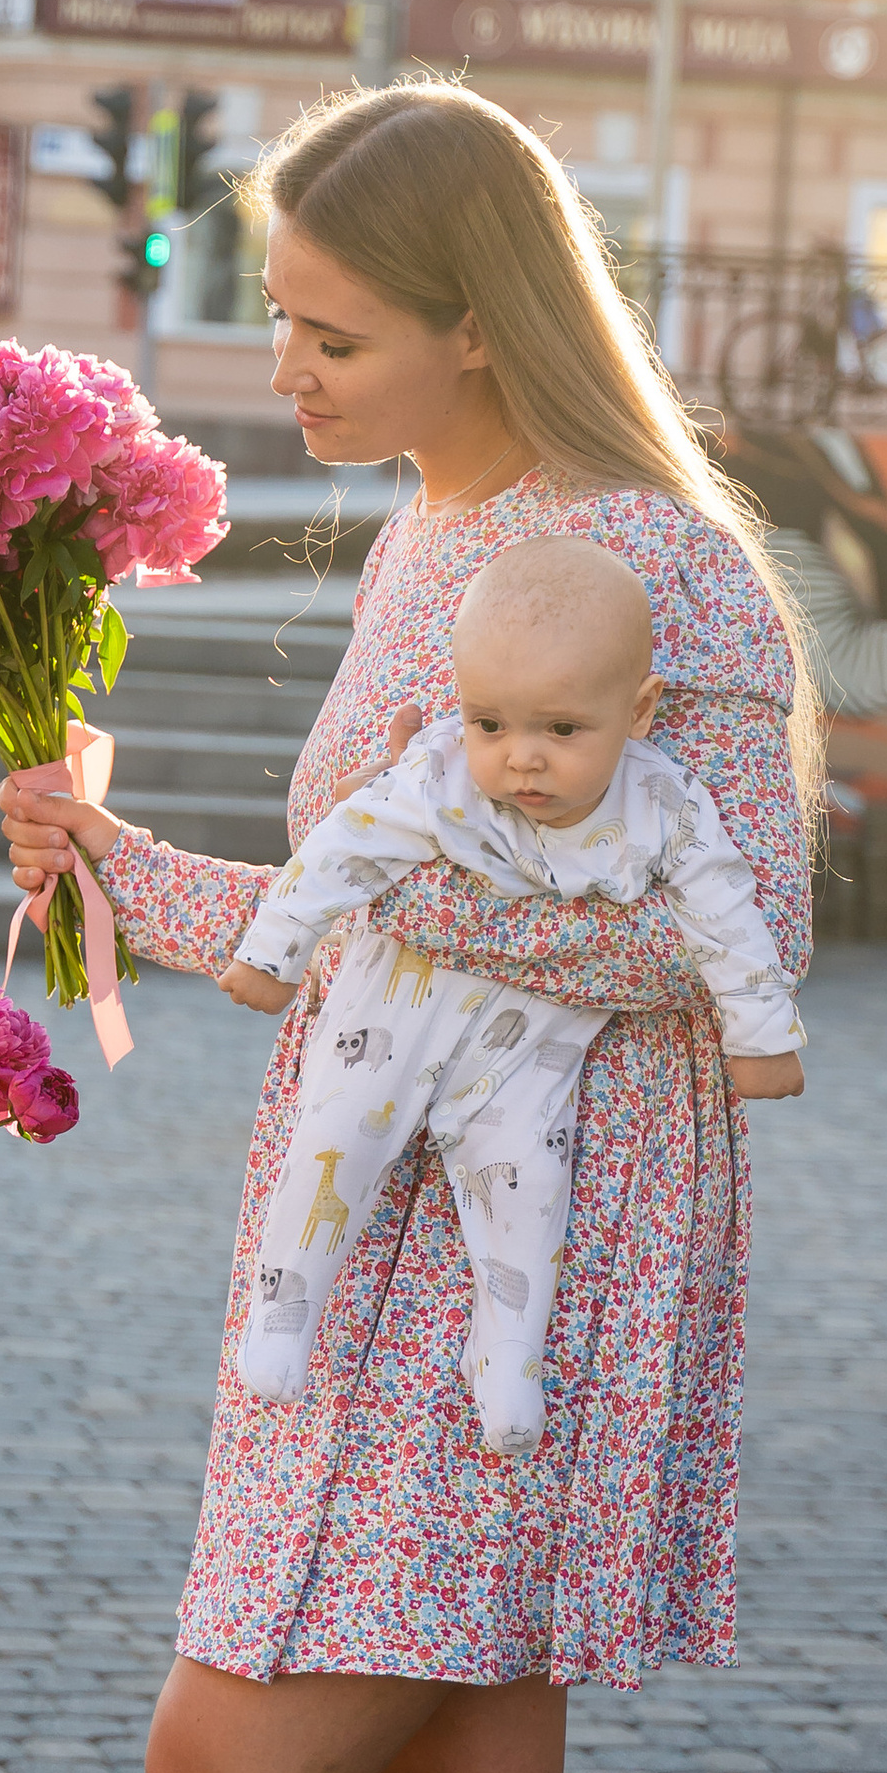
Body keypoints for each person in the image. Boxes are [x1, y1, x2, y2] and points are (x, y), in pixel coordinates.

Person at [0, 79, 816, 1773]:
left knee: (221, 1767)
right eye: (279, 312)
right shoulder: (442, 539)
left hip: (514, 1272)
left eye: (331, 323)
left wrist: (338, 911)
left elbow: (713, 938)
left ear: (477, 314)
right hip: (393, 1240)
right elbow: (337, 921)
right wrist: (95, 843)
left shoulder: (652, 566)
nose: (287, 361)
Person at [221, 534, 805, 1443]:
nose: (520, 758)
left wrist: (761, 1038)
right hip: (398, 1007)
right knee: (337, 1133)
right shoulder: (442, 770)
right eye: (492, 722)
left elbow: (730, 917)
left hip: (533, 1040)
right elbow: (342, 848)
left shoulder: (666, 806)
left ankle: (505, 1359)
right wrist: (274, 953)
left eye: (561, 730)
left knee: (528, 1186)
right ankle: (283, 1309)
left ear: (639, 710)